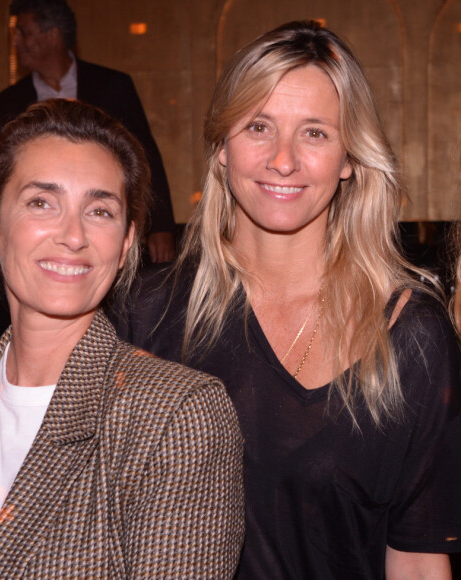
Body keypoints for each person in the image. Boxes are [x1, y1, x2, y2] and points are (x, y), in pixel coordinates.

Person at [112, 21, 461, 579]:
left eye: (315, 133)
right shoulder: (143, 313)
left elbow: (416, 558)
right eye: (258, 127)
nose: (282, 160)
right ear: (222, 147)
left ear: (350, 157)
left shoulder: (410, 335)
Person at [0, 100, 244, 578]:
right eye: (41, 202)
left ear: (126, 244)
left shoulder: (176, 417)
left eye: (99, 210)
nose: (73, 235)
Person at [0, 0, 176, 263]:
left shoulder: (114, 86)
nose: (16, 42)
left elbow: (145, 156)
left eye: (24, 32)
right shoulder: (9, 100)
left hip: (104, 227)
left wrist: (160, 226)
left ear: (53, 35)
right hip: (41, 231)